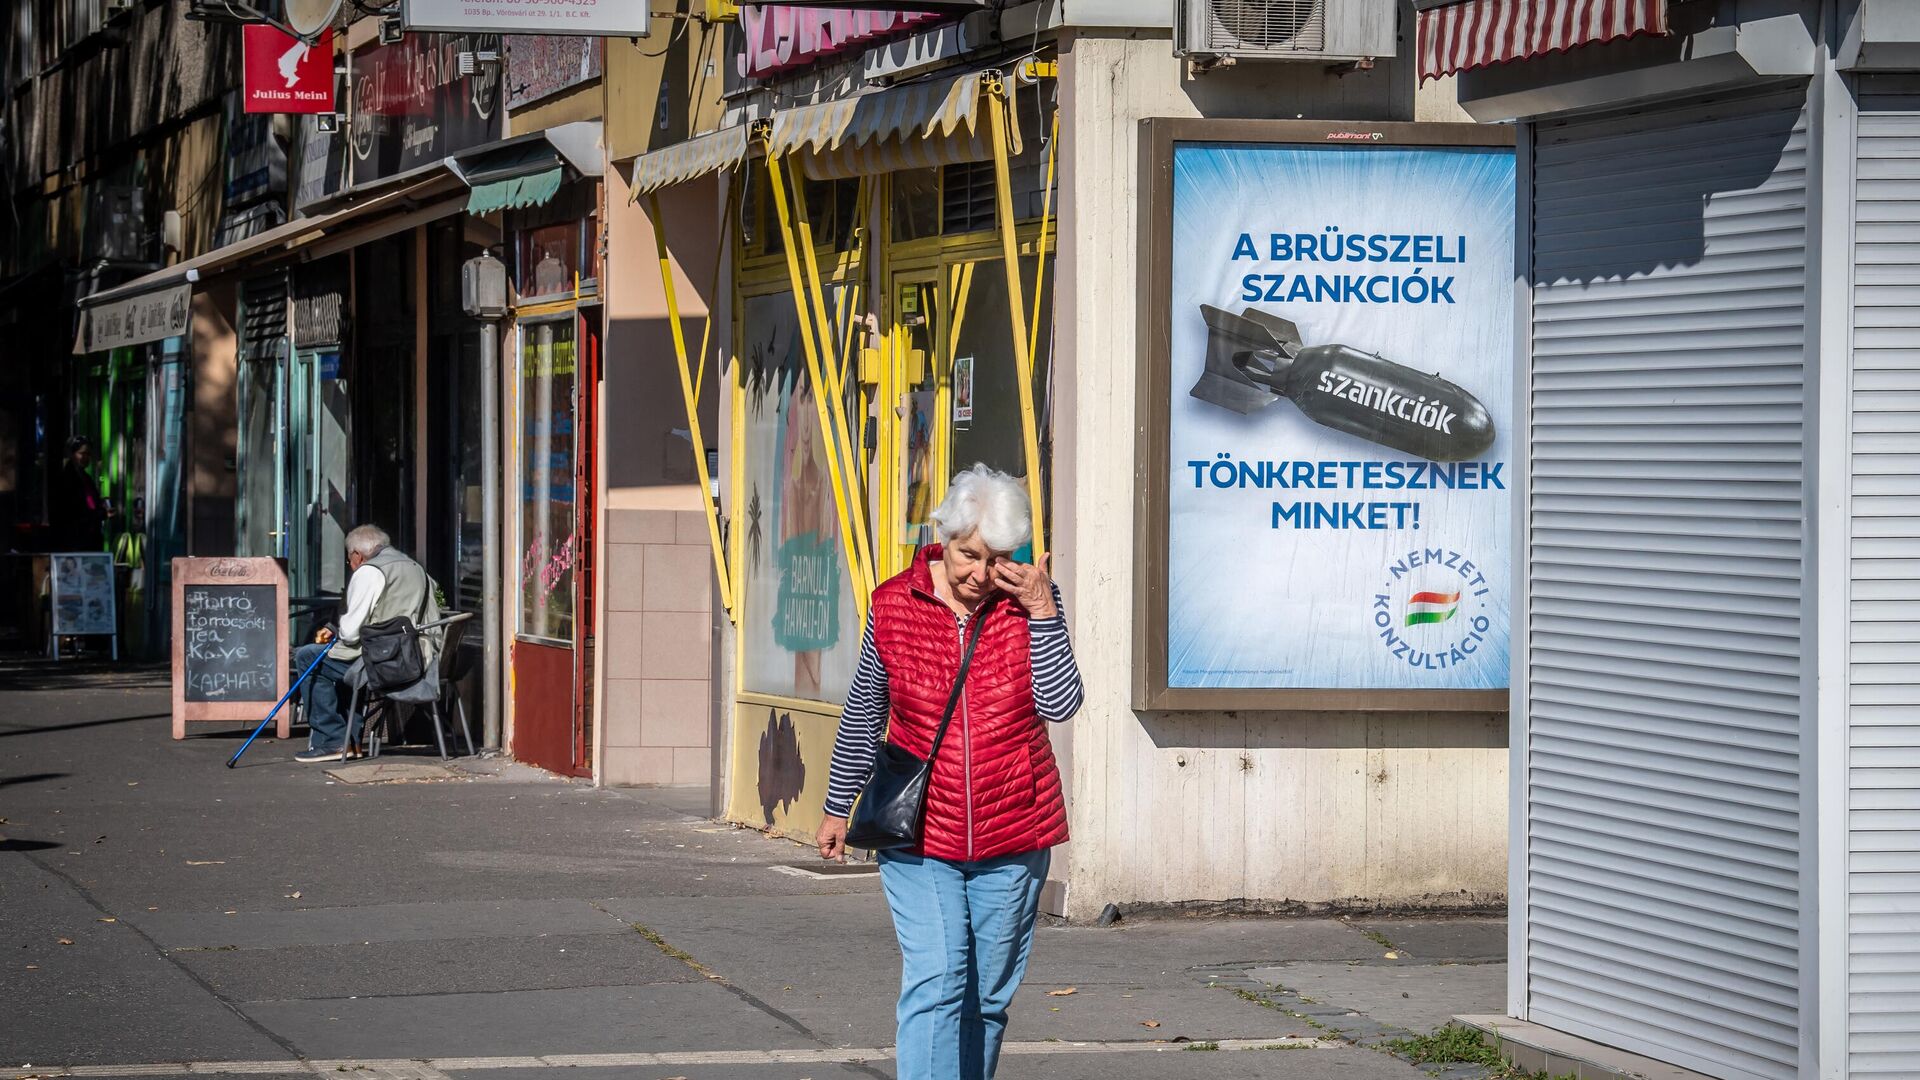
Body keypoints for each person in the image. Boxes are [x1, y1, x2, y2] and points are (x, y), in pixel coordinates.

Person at [817, 464, 1084, 1080]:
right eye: (968, 555)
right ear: (945, 536)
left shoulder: (1028, 603)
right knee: (938, 979)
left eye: (996, 559)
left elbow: (1061, 704)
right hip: (920, 832)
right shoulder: (894, 604)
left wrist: (1042, 610)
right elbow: (864, 712)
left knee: (987, 999)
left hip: (1014, 828)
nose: (980, 574)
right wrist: (838, 805)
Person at [291, 525, 442, 764]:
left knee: (309, 656)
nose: (350, 565)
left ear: (357, 555)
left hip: (387, 664)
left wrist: (337, 632)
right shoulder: (414, 567)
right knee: (342, 661)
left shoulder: (369, 571)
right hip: (421, 658)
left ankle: (332, 740)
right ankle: (351, 741)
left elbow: (350, 634)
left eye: (349, 559)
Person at [49, 436, 106, 552]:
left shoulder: (86, 478)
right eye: (82, 453)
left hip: (88, 537)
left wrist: (101, 508)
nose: (86, 457)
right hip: (74, 540)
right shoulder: (66, 479)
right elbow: (73, 511)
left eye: (88, 454)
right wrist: (99, 514)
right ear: (72, 454)